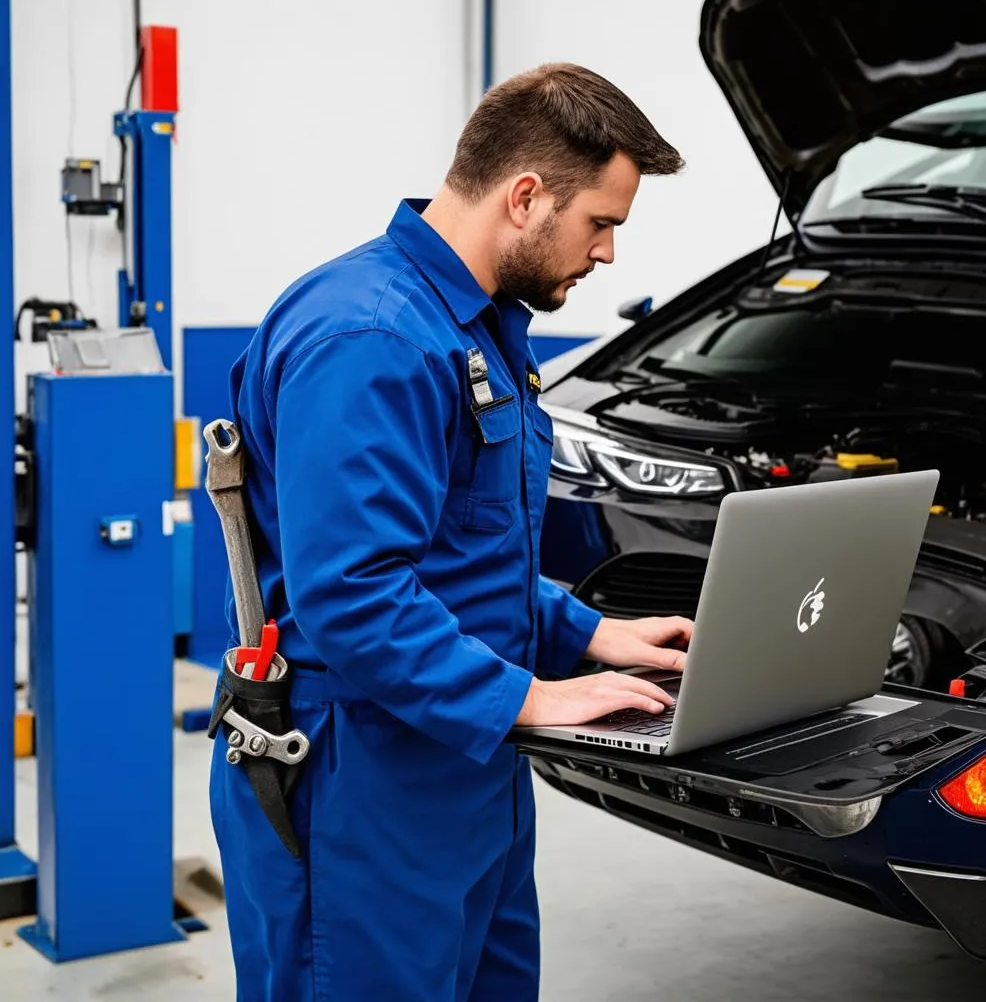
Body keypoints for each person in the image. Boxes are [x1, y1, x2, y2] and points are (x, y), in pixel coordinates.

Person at [210, 61, 690, 1002]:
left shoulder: (476, 329)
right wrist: (536, 700)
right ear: (525, 197)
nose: (606, 255)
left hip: (472, 769)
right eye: (602, 223)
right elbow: (352, 594)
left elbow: (462, 553)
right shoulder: (372, 340)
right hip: (363, 783)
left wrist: (587, 633)